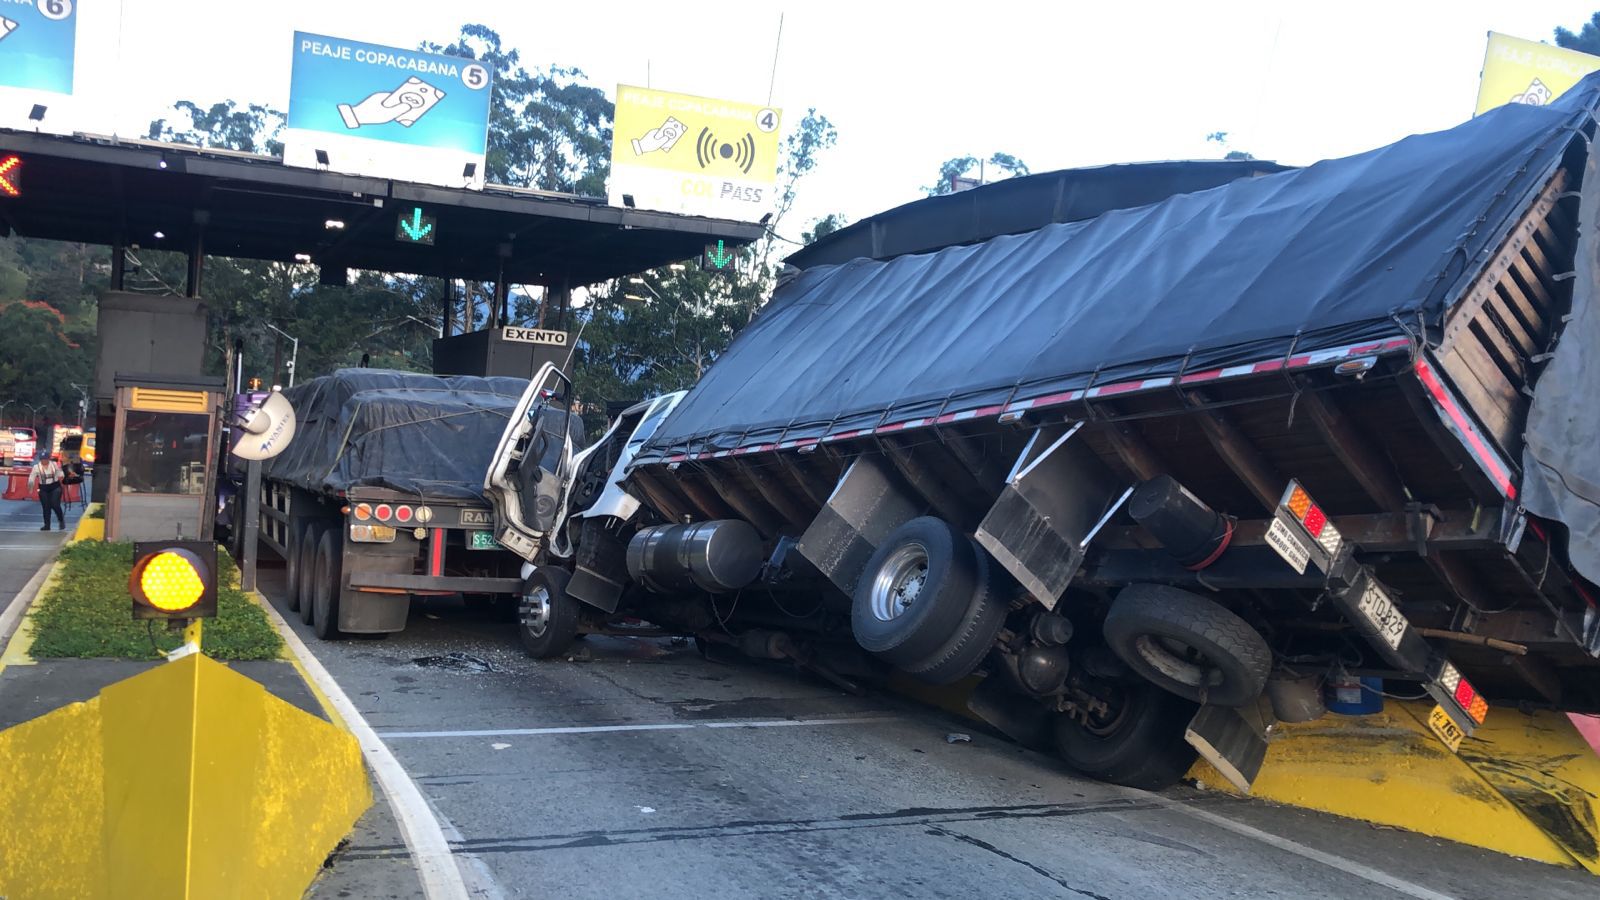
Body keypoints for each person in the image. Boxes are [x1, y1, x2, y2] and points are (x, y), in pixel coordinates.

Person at [28, 453, 66, 531]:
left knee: (55, 504)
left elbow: (60, 473)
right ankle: (47, 525)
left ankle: (61, 520)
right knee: (46, 507)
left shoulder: (54, 464)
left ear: (48, 459)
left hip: (55, 486)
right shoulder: (36, 467)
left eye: (45, 459)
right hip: (43, 488)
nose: (44, 461)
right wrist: (30, 486)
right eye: (42, 459)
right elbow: (32, 477)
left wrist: (66, 475)